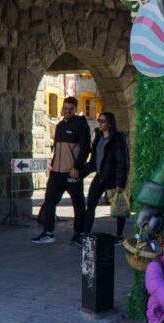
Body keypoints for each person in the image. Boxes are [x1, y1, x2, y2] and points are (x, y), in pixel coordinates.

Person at [32, 97, 91, 244]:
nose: (67, 111)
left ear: (75, 109)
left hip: (72, 172)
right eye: (65, 108)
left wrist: (77, 168)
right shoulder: (59, 126)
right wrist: (52, 167)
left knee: (78, 203)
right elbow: (57, 150)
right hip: (56, 173)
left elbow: (85, 149)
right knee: (49, 201)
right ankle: (48, 232)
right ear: (62, 108)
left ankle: (79, 234)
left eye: (71, 108)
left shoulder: (81, 125)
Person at [76, 112, 130, 246]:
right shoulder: (98, 137)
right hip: (100, 176)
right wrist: (80, 173)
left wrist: (120, 183)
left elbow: (122, 163)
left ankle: (119, 235)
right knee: (91, 204)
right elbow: (94, 161)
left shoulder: (118, 140)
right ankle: (86, 234)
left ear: (110, 124)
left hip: (112, 178)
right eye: (98, 120)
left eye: (102, 121)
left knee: (119, 206)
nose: (99, 123)